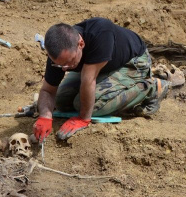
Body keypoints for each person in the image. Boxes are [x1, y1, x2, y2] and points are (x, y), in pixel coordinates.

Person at [32, 17, 169, 141]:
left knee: (91, 106)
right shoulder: (60, 55)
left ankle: (151, 88)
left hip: (133, 62)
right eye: (60, 64)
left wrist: (83, 119)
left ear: (81, 44)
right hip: (101, 67)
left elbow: (88, 80)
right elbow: (48, 90)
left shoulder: (101, 33)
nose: (64, 68)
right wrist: (45, 115)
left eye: (69, 62)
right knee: (61, 101)